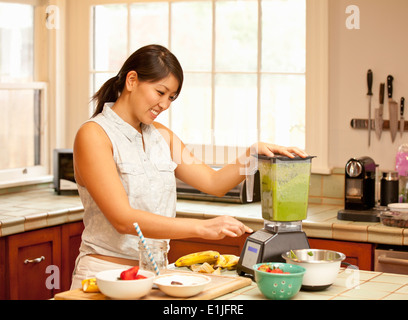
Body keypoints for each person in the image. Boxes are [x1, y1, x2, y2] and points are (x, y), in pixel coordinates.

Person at [70, 44, 307, 289]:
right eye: (160, 92)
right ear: (132, 80)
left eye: (171, 97)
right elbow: (123, 219)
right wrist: (203, 228)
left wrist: (253, 155)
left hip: (154, 276)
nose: (165, 104)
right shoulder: (94, 135)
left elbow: (213, 183)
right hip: (105, 275)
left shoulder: (161, 136)